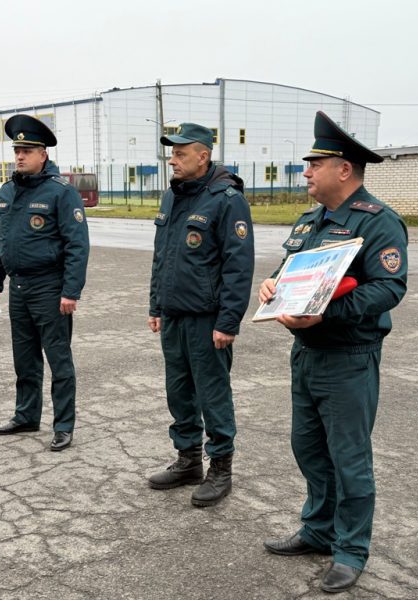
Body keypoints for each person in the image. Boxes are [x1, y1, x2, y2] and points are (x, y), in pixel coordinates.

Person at [258, 111, 408, 592]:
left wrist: (326, 313)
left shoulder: (379, 222)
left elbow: (389, 288)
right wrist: (271, 287)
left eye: (315, 164)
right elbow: (289, 272)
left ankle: (350, 550)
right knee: (308, 448)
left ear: (344, 169)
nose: (306, 172)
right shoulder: (311, 221)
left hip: (348, 357)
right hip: (306, 354)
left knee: (349, 458)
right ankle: (319, 530)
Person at [147, 122, 255, 507]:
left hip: (208, 320)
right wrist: (156, 305)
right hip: (174, 315)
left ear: (203, 156)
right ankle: (188, 460)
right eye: (171, 153)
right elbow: (162, 256)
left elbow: (238, 266)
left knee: (212, 394)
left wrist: (228, 321)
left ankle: (221, 468)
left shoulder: (226, 200)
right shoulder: (172, 197)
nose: (172, 160)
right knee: (179, 392)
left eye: (180, 153)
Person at [0, 114, 89, 452]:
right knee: (24, 358)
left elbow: (77, 245)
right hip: (19, 287)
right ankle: (26, 415)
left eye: (27, 151)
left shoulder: (61, 193)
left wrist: (71, 291)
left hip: (50, 287)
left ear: (43, 154)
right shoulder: (7, 192)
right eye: (17, 150)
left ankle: (63, 426)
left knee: (59, 359)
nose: (19, 156)